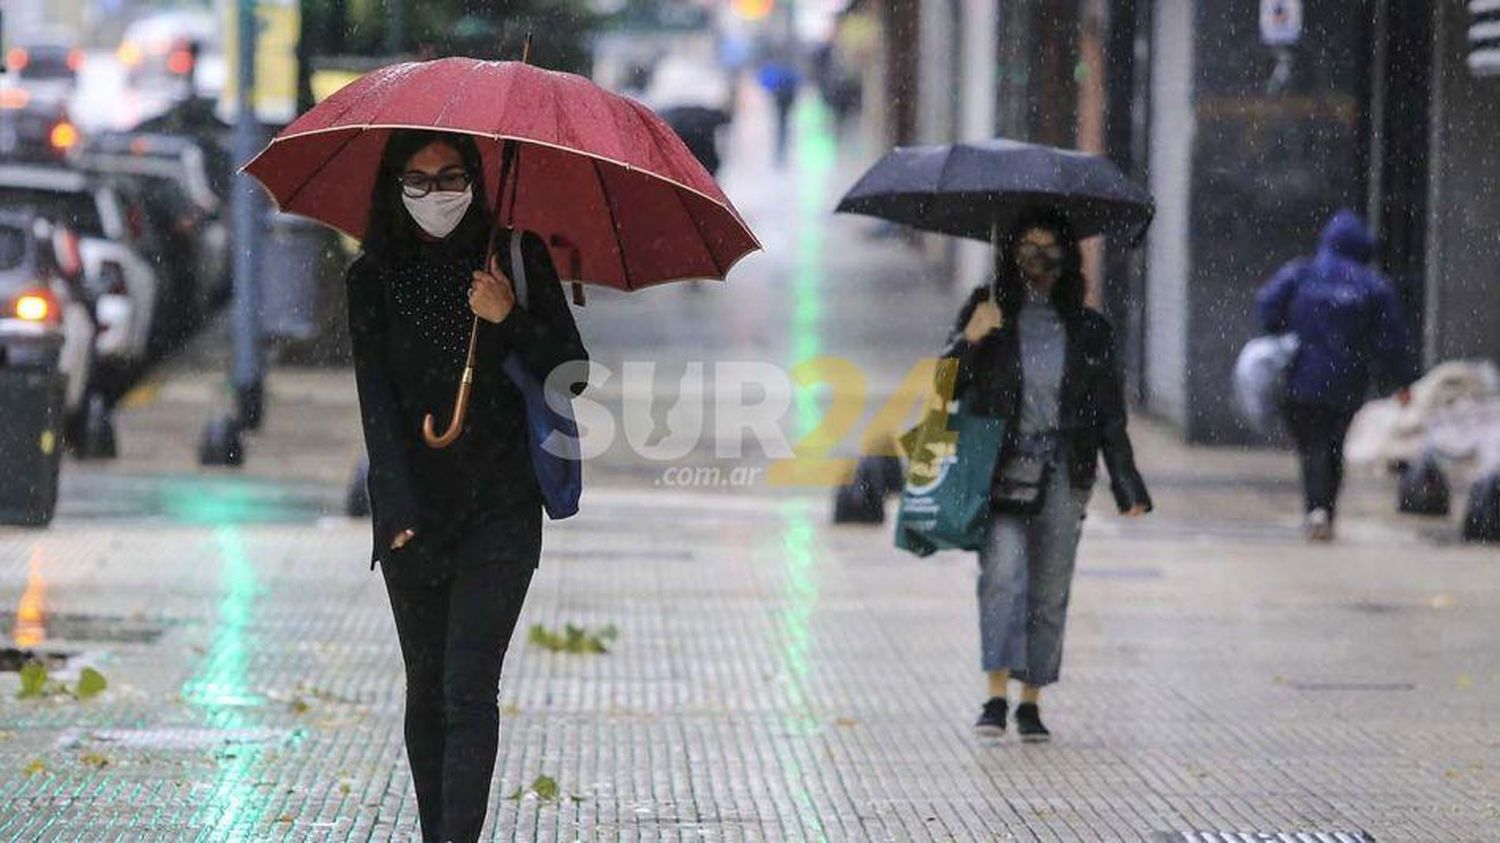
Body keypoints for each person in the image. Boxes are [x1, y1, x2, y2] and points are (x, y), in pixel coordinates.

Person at [347, 129, 589, 842]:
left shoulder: (513, 258)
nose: (435, 195)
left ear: (477, 182)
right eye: (417, 181)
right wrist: (393, 511)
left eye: (451, 177)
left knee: (467, 687)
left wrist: (507, 317)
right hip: (414, 512)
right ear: (394, 187)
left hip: (502, 511)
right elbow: (375, 405)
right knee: (426, 694)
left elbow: (569, 369)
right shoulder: (372, 276)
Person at [942, 210, 1152, 742]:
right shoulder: (986, 309)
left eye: (1050, 247)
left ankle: (1031, 700)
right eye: (1028, 247)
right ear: (1011, 253)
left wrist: (1126, 481)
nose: (1039, 258)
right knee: (1003, 576)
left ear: (1068, 256)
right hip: (1001, 468)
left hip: (1065, 468)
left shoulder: (1089, 330)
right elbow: (942, 387)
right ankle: (995, 694)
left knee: (1050, 586)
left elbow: (1109, 413)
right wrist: (970, 338)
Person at [1257, 209, 1418, 542]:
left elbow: (1267, 307)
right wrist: (1402, 381)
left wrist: (1286, 328)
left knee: (1312, 445)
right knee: (1333, 444)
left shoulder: (1301, 273)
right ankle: (1325, 510)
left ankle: (1316, 510)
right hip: (1346, 382)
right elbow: (1391, 339)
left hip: (1301, 378)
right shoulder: (1373, 286)